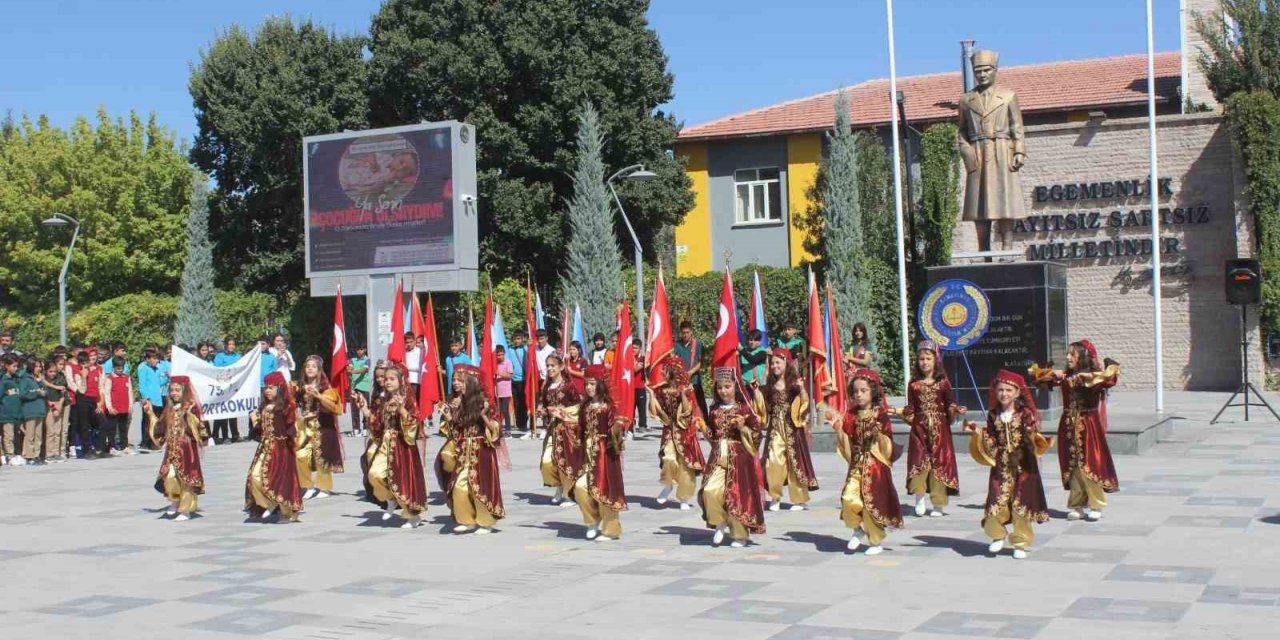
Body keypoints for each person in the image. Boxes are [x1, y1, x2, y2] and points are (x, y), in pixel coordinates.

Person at [966, 370, 1051, 559]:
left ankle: (1020, 543)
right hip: (1001, 465)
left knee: (1021, 505)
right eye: (1000, 390)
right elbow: (991, 438)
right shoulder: (993, 415)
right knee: (995, 501)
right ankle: (997, 535)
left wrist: (1031, 432)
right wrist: (976, 432)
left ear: (1017, 392)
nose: (1004, 394)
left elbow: (1032, 436)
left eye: (1008, 390)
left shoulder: (1025, 413)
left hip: (1023, 465)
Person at [1032, 339, 1120, 521]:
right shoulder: (1065, 376)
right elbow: (1038, 379)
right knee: (1072, 466)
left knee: (1090, 464)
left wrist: (1089, 376)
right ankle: (1076, 505)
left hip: (1088, 424)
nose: (1067, 357)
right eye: (1067, 354)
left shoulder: (1093, 377)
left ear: (1083, 357)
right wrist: (1052, 373)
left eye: (1072, 354)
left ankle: (1096, 504)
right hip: (1067, 425)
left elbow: (1110, 377)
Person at [833, 368, 903, 555]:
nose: (859, 394)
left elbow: (887, 442)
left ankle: (875, 542)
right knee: (848, 497)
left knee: (872, 503)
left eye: (863, 390)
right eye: (856, 391)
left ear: (873, 391)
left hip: (875, 467)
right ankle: (857, 529)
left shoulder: (880, 414)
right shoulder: (850, 414)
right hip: (857, 464)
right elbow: (846, 439)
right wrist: (839, 430)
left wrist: (878, 434)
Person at [355, 364, 427, 528]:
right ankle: (390, 499)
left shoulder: (408, 398)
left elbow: (415, 423)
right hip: (386, 443)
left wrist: (401, 409)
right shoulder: (384, 399)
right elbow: (377, 423)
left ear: (401, 380)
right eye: (386, 379)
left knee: (403, 479)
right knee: (374, 474)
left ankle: (412, 516)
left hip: (402, 445)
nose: (387, 382)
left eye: (392, 379)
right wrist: (364, 408)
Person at [436, 364, 505, 534]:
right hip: (463, 450)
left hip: (481, 450)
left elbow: (496, 429)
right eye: (454, 380)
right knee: (459, 485)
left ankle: (486, 522)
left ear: (471, 382)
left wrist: (483, 415)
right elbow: (455, 432)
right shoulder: (457, 402)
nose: (455, 383)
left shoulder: (483, 402)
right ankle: (467, 519)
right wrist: (448, 416)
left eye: (460, 380)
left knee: (480, 487)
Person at [701, 367, 766, 547]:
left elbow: (757, 435)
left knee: (737, 495)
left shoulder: (744, 408)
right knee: (709, 490)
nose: (723, 391)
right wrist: (704, 429)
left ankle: (740, 535)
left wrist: (743, 428)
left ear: (735, 387)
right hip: (717, 457)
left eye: (727, 386)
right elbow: (712, 434)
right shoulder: (714, 410)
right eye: (720, 387)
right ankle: (720, 521)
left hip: (739, 459)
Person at [900, 341, 964, 517]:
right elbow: (911, 407)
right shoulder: (913, 384)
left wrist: (956, 409)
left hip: (940, 430)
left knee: (940, 463)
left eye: (928, 358)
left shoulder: (943, 383)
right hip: (919, 429)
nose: (925, 362)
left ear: (936, 360)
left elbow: (950, 402)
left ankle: (938, 504)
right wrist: (902, 412)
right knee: (919, 461)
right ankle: (919, 497)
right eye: (921, 359)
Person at [574, 365, 629, 541]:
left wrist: (618, 427)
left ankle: (611, 530)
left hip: (605, 455)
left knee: (605, 489)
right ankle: (592, 521)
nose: (589, 387)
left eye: (592, 384)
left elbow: (616, 431)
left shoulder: (608, 407)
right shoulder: (585, 406)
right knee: (580, 487)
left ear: (600, 384)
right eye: (586, 384)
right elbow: (580, 429)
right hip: (588, 455)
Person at [761, 349, 818, 511]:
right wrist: (757, 391)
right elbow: (763, 406)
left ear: (786, 363)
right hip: (775, 429)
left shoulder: (794, 384)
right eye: (772, 363)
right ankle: (775, 496)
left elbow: (805, 404)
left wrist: (802, 389)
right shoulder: (770, 385)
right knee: (773, 460)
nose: (774, 366)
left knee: (795, 463)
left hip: (792, 429)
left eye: (778, 362)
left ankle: (799, 500)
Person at [144, 377, 206, 521]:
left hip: (187, 450)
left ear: (184, 391)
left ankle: (186, 509)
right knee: (170, 476)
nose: (174, 393)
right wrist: (150, 413)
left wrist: (189, 415)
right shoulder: (169, 408)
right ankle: (175, 501)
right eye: (172, 390)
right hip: (172, 450)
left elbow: (200, 429)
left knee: (186, 479)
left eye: (177, 390)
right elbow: (160, 428)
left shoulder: (191, 406)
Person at [648, 356, 706, 509]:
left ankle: (684, 498)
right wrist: (651, 395)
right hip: (669, 430)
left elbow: (689, 411)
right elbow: (656, 412)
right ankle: (668, 485)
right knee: (668, 458)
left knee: (686, 466)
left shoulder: (687, 389)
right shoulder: (662, 390)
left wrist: (683, 395)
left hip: (685, 432)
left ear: (674, 371)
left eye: (666, 370)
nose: (663, 373)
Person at [246, 372, 303, 522]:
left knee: (280, 480)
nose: (267, 391)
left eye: (271, 388)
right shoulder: (264, 407)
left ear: (279, 388)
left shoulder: (285, 407)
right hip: (265, 448)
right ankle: (270, 503)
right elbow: (261, 430)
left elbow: (293, 426)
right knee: (254, 476)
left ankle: (286, 512)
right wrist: (254, 420)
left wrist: (292, 441)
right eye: (266, 388)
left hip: (281, 449)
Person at [295, 355, 344, 500]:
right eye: (307, 366)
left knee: (321, 457)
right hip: (305, 428)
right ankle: (308, 486)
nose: (310, 369)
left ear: (319, 370)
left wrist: (319, 397)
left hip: (322, 426)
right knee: (300, 455)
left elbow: (337, 409)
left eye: (313, 366)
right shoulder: (300, 387)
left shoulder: (326, 388)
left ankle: (324, 488)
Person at [538, 353, 581, 504]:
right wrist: (543, 411)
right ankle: (559, 485)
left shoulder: (569, 386)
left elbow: (578, 406)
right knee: (547, 460)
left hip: (568, 430)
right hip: (552, 429)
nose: (550, 368)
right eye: (548, 366)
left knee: (566, 461)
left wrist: (561, 412)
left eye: (553, 365)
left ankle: (569, 494)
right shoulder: (546, 387)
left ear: (561, 367)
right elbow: (544, 404)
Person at [99, 355, 134, 454]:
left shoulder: (126, 377)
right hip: (114, 408)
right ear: (113, 367)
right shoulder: (110, 379)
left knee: (123, 428)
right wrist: (109, 407)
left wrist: (130, 405)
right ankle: (112, 447)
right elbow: (107, 393)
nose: (120, 370)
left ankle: (124, 446)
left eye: (122, 368)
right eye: (118, 368)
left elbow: (130, 392)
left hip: (124, 407)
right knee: (112, 429)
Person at [137, 347, 170, 451]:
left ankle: (153, 442)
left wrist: (167, 377)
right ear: (147, 359)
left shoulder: (156, 369)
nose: (156, 361)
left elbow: (159, 383)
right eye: (154, 358)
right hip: (149, 400)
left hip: (157, 399)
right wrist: (145, 397)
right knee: (147, 421)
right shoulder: (143, 368)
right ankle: (145, 443)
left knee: (155, 422)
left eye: (157, 358)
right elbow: (142, 385)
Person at [212, 338, 242, 443]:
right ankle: (225, 436)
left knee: (233, 411)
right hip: (223, 387)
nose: (231, 346)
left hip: (234, 387)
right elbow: (217, 370)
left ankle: (235, 434)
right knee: (224, 411)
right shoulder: (219, 357)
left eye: (233, 344)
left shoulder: (238, 357)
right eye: (229, 344)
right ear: (225, 345)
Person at [19, 359, 49, 464]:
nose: (39, 369)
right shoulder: (25, 379)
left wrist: (41, 382)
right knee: (30, 435)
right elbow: (22, 394)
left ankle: (37, 455)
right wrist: (37, 393)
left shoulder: (39, 380)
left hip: (40, 410)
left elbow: (46, 392)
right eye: (36, 366)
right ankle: (29, 456)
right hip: (30, 410)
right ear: (31, 367)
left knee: (38, 435)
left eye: (40, 366)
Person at [674, 321, 707, 415]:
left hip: (694, 380)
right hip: (680, 382)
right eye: (683, 332)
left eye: (687, 332)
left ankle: (704, 421)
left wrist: (691, 372)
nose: (685, 335)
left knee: (700, 405)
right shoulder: (676, 345)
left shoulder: (698, 344)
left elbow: (702, 362)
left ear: (691, 331)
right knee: (682, 406)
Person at [43, 357, 69, 462]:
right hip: (49, 407)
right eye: (50, 371)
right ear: (46, 371)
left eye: (54, 371)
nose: (53, 373)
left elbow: (63, 393)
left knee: (58, 431)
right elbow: (45, 396)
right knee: (50, 431)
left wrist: (59, 405)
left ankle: (56, 453)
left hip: (59, 406)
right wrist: (52, 406)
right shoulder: (43, 380)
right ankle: (49, 454)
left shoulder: (60, 378)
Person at [1, 355, 21, 465]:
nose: (16, 368)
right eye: (14, 366)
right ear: (7, 366)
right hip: (6, 413)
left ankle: (17, 454)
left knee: (16, 434)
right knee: (8, 435)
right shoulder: (4, 380)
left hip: (16, 412)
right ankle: (9, 455)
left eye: (17, 366)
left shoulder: (17, 379)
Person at [509, 330, 530, 434]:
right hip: (514, 380)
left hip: (524, 380)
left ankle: (524, 423)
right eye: (515, 339)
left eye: (519, 339)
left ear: (522, 339)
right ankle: (518, 423)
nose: (517, 341)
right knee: (516, 402)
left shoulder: (526, 349)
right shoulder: (510, 350)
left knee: (524, 402)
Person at [348, 345, 371, 436]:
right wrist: (349, 371)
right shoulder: (352, 360)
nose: (359, 351)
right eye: (357, 349)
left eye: (361, 349)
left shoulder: (367, 360)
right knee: (354, 409)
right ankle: (356, 429)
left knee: (365, 407)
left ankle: (366, 428)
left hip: (364, 387)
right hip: (354, 387)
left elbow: (364, 370)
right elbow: (349, 369)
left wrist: (353, 371)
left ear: (364, 350)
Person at [495, 345, 514, 431]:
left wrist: (500, 373)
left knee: (504, 410)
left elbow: (510, 375)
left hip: (506, 392)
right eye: (498, 355)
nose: (500, 357)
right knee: (498, 411)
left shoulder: (508, 362)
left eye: (502, 354)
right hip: (497, 391)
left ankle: (508, 428)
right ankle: (499, 428)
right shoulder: (494, 363)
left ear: (504, 354)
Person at [632, 338, 648, 431]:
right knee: (631, 407)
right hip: (631, 387)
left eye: (636, 348)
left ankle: (642, 425)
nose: (634, 350)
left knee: (641, 407)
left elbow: (635, 369)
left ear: (640, 348)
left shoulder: (642, 359)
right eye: (633, 348)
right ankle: (631, 424)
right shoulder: (628, 358)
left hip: (640, 387)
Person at [404, 332, 422, 396]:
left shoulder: (420, 351)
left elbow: (420, 367)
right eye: (407, 342)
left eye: (411, 342)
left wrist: (406, 367)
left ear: (414, 341)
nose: (409, 344)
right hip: (405, 381)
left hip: (415, 381)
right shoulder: (404, 352)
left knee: (414, 399)